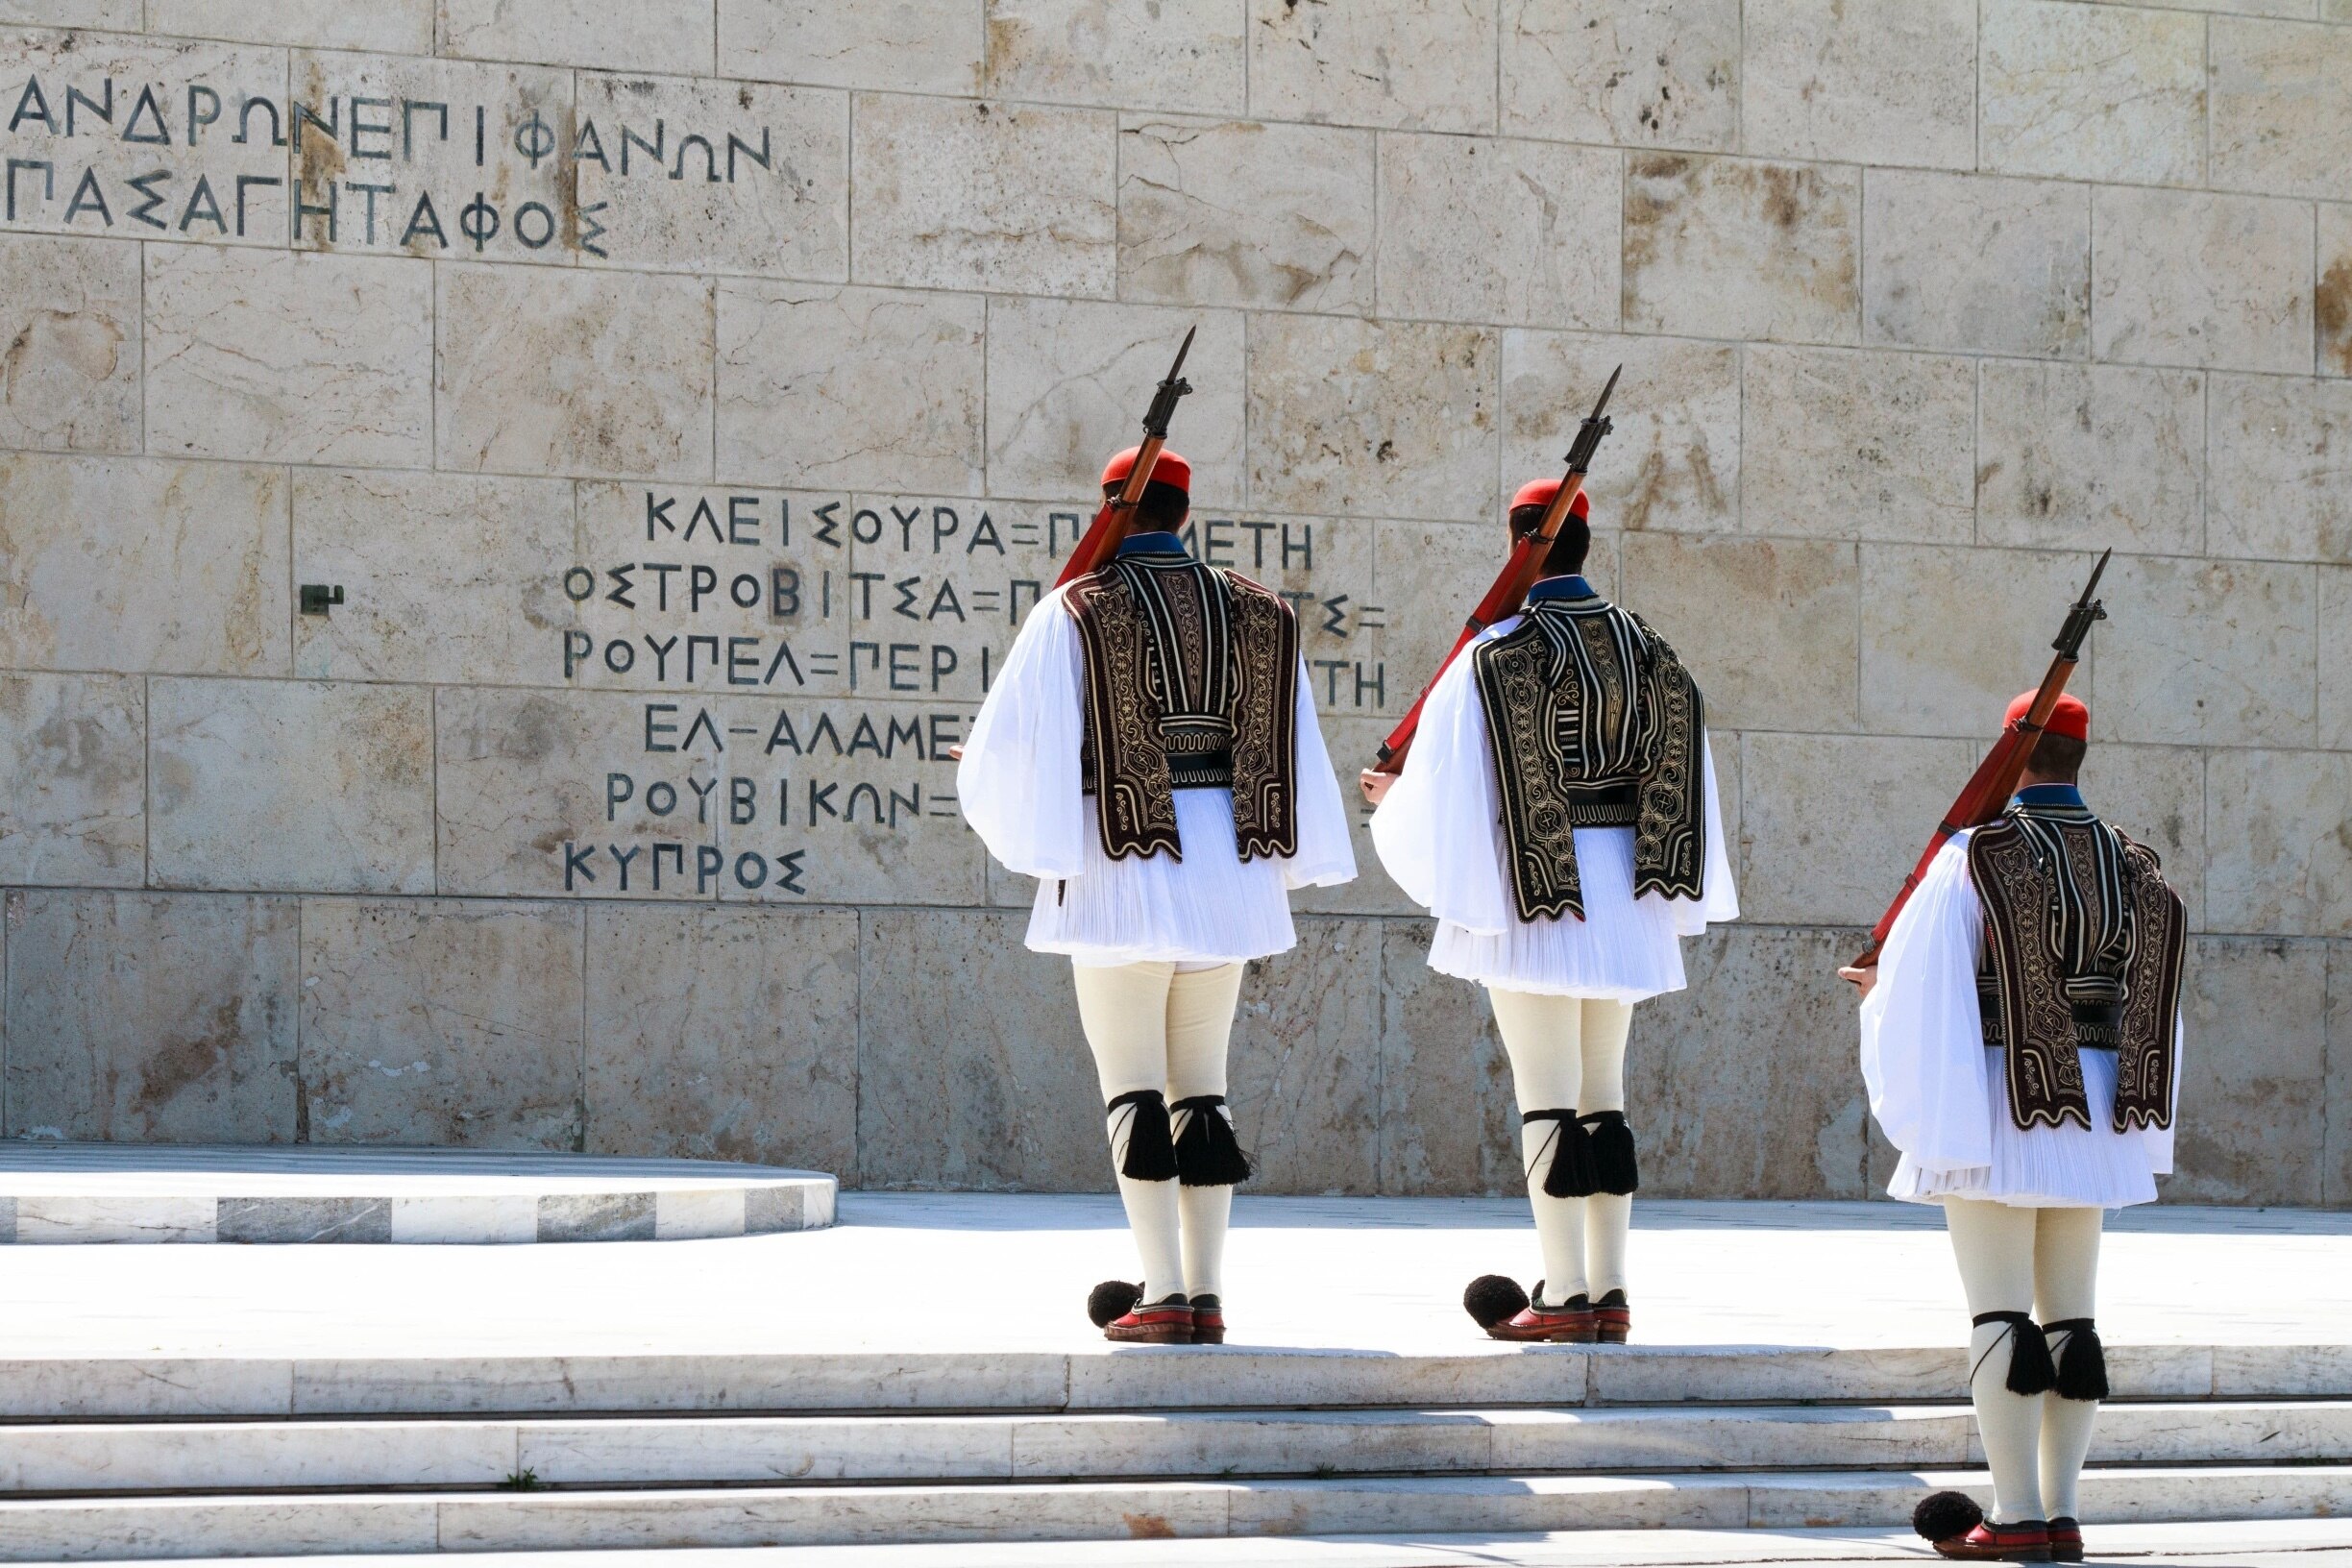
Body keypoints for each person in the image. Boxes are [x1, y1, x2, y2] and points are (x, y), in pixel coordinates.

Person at [957, 446, 1356, 1346]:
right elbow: (1290, 743)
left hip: (1121, 868)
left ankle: (1165, 1292)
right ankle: (1205, 1293)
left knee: (1132, 1084)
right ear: (1185, 511)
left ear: (1111, 508)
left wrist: (1002, 791)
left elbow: (1013, 746)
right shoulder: (1262, 610)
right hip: (1229, 873)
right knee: (1203, 1089)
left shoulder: (1076, 608)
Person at [1363, 478, 1736, 1344]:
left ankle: (1566, 1295)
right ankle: (1608, 1288)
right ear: (1586, 544)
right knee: (1603, 1098)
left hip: (1536, 893)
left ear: (1518, 545)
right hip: (1630, 891)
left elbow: (1449, 791)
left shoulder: (1497, 652)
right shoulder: (1653, 649)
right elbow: (1692, 779)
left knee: (1548, 1099)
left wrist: (1391, 797)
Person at [1846, 691, 2186, 1564]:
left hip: (2000, 1101)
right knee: (2072, 1321)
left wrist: (1875, 996)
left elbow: (1925, 990)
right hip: (2102, 1110)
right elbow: (2161, 1009)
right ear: (2080, 755)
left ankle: (2016, 1510)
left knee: (2000, 1311)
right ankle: (2063, 1513)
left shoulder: (1974, 856)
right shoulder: (2135, 862)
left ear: (2015, 753)